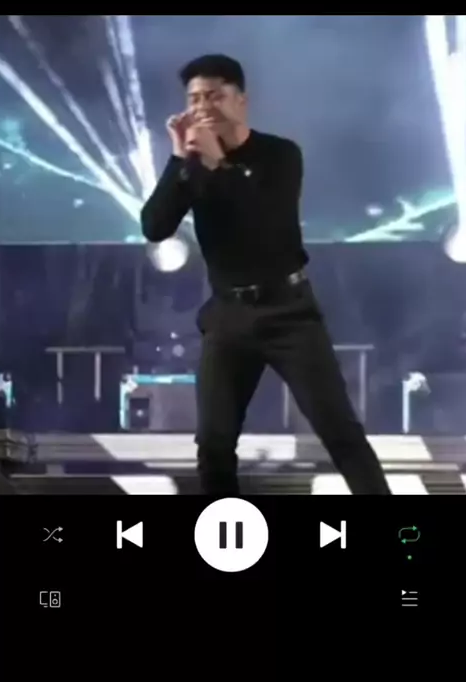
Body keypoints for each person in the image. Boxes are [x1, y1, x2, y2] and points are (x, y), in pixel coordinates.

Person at [141, 54, 391, 496]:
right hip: (228, 314)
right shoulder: (193, 166)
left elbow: (264, 224)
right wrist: (179, 159)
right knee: (214, 443)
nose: (203, 107)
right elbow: (155, 226)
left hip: (288, 311)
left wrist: (217, 163)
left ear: (241, 99)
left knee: (339, 430)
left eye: (214, 95)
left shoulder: (279, 155)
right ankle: (222, 528)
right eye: (194, 99)